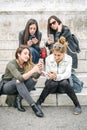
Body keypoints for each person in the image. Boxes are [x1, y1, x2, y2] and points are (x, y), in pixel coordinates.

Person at [37, 37, 82, 115]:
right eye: (55, 55)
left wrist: (56, 76)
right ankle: (38, 103)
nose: (56, 57)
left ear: (64, 53)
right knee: (53, 83)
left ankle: (77, 105)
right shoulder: (48, 59)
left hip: (63, 87)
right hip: (52, 86)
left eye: (59, 55)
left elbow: (67, 74)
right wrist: (48, 75)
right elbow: (47, 74)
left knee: (63, 82)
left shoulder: (69, 59)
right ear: (52, 52)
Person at [0, 45, 44, 117]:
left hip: (19, 85)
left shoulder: (27, 63)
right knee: (18, 80)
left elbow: (35, 77)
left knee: (33, 79)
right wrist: (33, 70)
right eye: (25, 53)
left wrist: (39, 71)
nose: (27, 56)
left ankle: (18, 99)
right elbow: (20, 78)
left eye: (28, 54)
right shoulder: (11, 64)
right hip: (7, 86)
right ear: (18, 54)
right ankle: (34, 106)